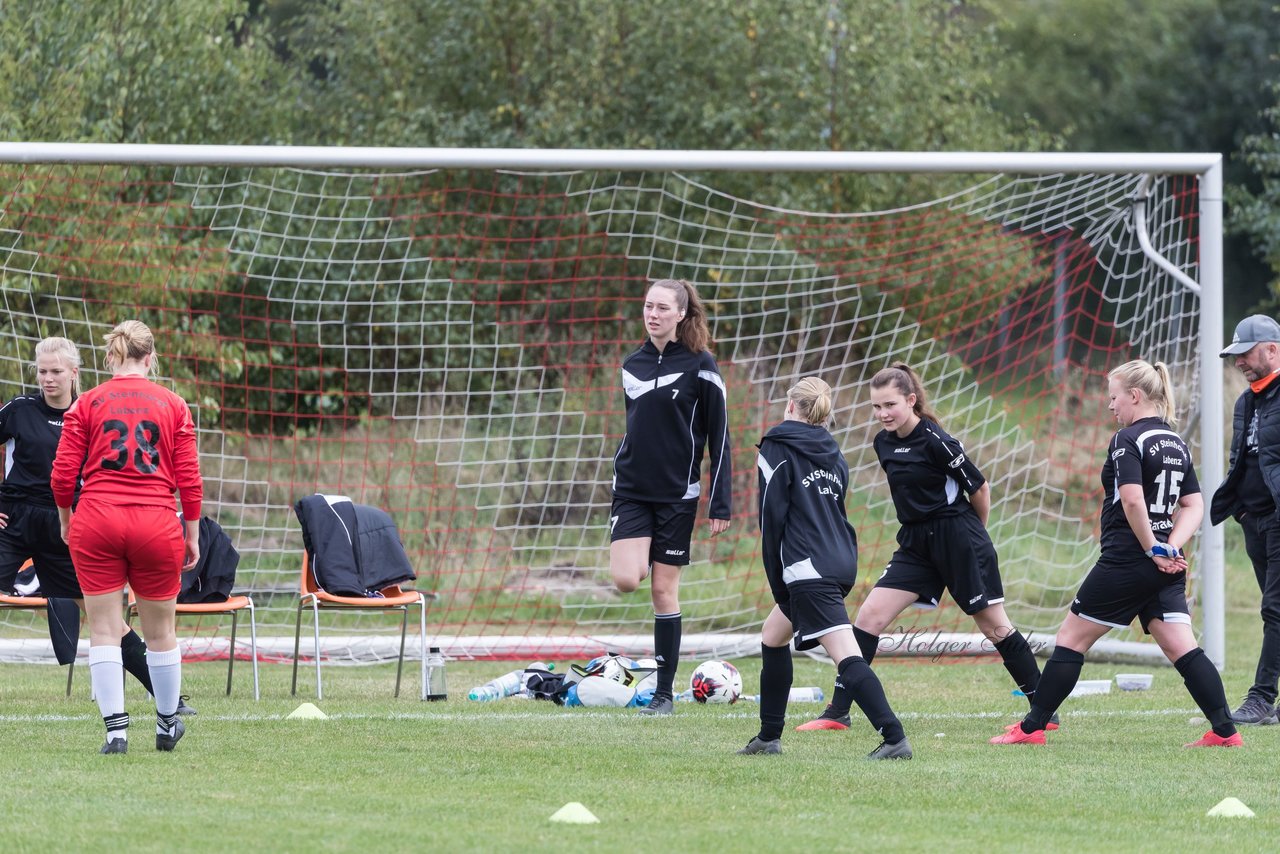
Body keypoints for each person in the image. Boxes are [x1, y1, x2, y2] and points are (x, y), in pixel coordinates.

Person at [991, 359, 1240, 747]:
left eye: (1114, 397)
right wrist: (1170, 545)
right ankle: (1225, 732)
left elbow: (1132, 501)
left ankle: (1031, 728)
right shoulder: (1177, 443)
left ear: (1135, 396)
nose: (1110, 406)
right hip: (1165, 565)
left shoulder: (1129, 439)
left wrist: (1152, 548)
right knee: (1182, 647)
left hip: (1129, 559)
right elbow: (1194, 504)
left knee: (1071, 639)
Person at [797, 362, 1046, 731]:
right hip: (915, 543)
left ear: (911, 401)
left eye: (890, 405)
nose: (882, 414)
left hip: (958, 538)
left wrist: (971, 537)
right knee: (869, 617)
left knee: (994, 626)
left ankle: (1043, 708)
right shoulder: (882, 443)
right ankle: (838, 713)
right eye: (876, 407)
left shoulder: (937, 441)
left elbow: (979, 489)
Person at [0, 337, 193, 714]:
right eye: (42, 371)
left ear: (75, 373)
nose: (48, 379)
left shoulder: (94, 410)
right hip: (15, 519)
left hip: (67, 524)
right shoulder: (20, 410)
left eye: (56, 371)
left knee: (104, 618)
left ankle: (164, 693)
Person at [738, 377, 911, 759]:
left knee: (846, 656)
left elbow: (771, 521)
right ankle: (768, 737)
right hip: (841, 559)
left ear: (790, 407)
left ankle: (895, 738)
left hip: (807, 567)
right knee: (772, 636)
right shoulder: (834, 452)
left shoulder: (775, 447)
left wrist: (778, 581)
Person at [51, 321, 203, 754]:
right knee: (161, 632)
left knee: (103, 629)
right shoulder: (173, 404)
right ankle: (166, 725)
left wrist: (67, 520)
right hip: (155, 521)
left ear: (111, 357)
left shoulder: (88, 403)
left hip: (97, 520)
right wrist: (191, 533)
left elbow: (63, 477)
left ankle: (116, 731)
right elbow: (190, 481)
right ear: (150, 358)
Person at [609, 279, 732, 716]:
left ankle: (663, 695)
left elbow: (719, 437)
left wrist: (721, 501)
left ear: (681, 314)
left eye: (662, 307)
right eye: (648, 306)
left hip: (679, 496)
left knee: (664, 590)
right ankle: (641, 554)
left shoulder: (702, 365)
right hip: (631, 491)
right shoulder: (632, 364)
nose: (653, 313)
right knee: (627, 579)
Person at [1210, 314, 1280, 725]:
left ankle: (1261, 698)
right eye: (1235, 356)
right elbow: (1241, 461)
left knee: (1274, 610)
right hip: (1253, 521)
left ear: (1272, 350)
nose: (1238, 362)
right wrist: (1238, 510)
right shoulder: (1246, 401)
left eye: (1245, 353)